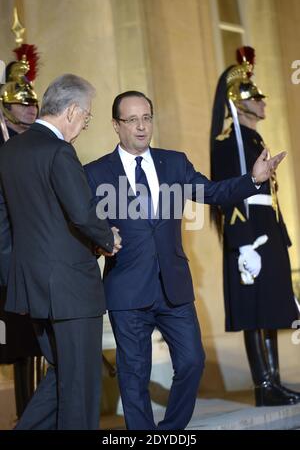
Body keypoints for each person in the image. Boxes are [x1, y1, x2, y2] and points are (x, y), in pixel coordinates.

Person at [84, 90, 285, 430]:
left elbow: (213, 193)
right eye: (132, 120)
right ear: (116, 125)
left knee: (192, 361)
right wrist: (98, 243)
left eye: (146, 117)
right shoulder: (95, 173)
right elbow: (86, 224)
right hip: (126, 289)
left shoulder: (174, 163)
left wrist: (253, 180)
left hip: (173, 288)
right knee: (134, 376)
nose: (141, 127)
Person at [0, 73, 121, 430]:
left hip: (32, 289)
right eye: (86, 117)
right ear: (71, 111)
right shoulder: (58, 150)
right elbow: (82, 212)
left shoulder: (8, 151)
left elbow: (2, 223)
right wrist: (108, 238)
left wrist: (15, 273)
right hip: (70, 286)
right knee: (81, 384)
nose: (84, 125)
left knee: (64, 377)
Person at [210, 46, 300, 406]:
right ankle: (263, 385)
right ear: (238, 102)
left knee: (271, 310)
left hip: (266, 231)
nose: (263, 103)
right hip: (248, 236)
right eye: (255, 98)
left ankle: (274, 382)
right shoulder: (228, 142)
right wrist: (243, 242)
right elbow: (229, 194)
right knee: (254, 311)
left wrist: (281, 238)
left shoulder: (253, 138)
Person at [0, 50, 44, 419]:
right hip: (6, 259)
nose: (31, 109)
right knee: (11, 341)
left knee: (33, 343)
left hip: (34, 259)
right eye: (22, 104)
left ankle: (32, 416)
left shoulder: (36, 145)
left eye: (33, 104)